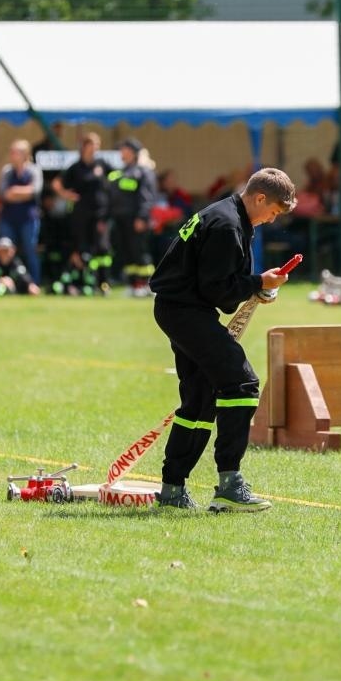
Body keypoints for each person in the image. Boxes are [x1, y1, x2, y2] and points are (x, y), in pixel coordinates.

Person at [150, 167, 297, 512]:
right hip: (186, 312)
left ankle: (172, 490)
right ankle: (230, 484)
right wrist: (258, 282)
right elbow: (218, 291)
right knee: (242, 383)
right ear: (259, 198)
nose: (271, 220)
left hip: (180, 309)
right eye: (273, 212)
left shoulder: (227, 215)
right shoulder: (228, 225)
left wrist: (256, 285)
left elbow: (222, 289)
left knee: (199, 401)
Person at [50, 132, 109, 274]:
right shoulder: (76, 167)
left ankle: (101, 281)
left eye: (97, 145)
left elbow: (116, 177)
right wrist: (65, 194)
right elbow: (56, 183)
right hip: (81, 213)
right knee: (81, 246)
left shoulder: (101, 164)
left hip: (99, 213)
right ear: (84, 146)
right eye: (92, 144)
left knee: (101, 247)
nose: (95, 148)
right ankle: (83, 279)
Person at [106, 137, 157, 293]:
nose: (121, 152)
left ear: (133, 152)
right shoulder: (121, 172)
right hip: (121, 220)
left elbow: (146, 197)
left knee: (139, 253)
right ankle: (134, 285)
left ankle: (148, 286)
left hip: (136, 220)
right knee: (127, 253)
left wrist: (142, 217)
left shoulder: (143, 172)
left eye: (125, 149)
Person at [0, 139, 43, 286]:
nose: (12, 155)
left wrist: (15, 191)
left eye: (15, 152)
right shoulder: (7, 171)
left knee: (30, 250)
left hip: (28, 218)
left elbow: (35, 190)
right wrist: (22, 194)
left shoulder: (34, 170)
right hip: (8, 218)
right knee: (5, 250)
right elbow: (3, 193)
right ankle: (4, 282)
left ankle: (34, 283)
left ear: (25, 154)